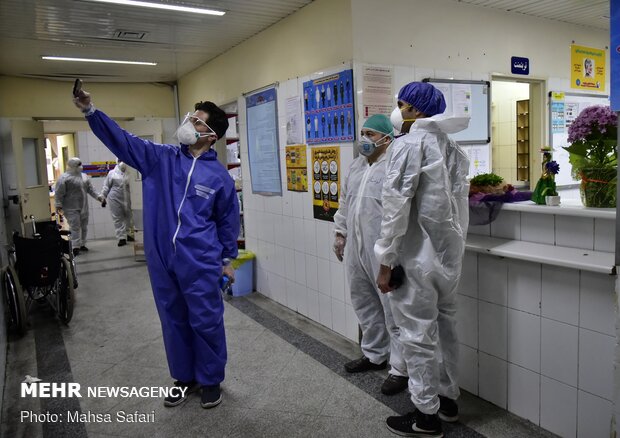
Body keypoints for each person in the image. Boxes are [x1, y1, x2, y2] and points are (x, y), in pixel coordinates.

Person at [73, 87, 240, 410]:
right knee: (173, 319)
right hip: (162, 259)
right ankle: (184, 377)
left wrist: (226, 259)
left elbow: (227, 223)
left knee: (205, 320)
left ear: (211, 135)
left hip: (200, 260)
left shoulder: (219, 177)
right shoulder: (160, 159)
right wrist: (90, 111)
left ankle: (210, 380)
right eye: (190, 117)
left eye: (197, 120)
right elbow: (123, 140)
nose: (188, 123)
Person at [375, 82, 470, 437]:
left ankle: (425, 416)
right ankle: (447, 401)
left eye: (400, 103)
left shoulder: (408, 145)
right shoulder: (452, 147)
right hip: (448, 259)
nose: (396, 110)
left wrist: (386, 261)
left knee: (416, 336)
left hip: (415, 258)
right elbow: (458, 209)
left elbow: (395, 208)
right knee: (446, 331)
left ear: (414, 109)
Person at [333, 115, 408, 396]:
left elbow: (397, 214)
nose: (365, 138)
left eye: (371, 134)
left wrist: (391, 255)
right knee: (363, 302)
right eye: (363, 132)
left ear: (387, 138)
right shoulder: (355, 166)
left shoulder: (394, 168)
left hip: (383, 250)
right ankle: (375, 354)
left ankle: (400, 369)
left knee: (393, 309)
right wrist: (340, 233)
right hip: (355, 247)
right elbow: (345, 202)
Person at [54, 157, 104, 256]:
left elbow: (91, 190)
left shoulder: (84, 177)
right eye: (78, 165)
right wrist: (58, 205)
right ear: (72, 166)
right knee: (75, 227)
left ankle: (82, 244)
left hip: (83, 206)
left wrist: (99, 197)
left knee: (84, 226)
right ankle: (75, 247)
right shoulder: (64, 178)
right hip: (71, 207)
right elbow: (59, 193)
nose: (81, 167)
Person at [99, 160, 135, 247]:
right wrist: (103, 197)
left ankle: (129, 234)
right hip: (115, 199)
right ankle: (121, 238)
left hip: (128, 198)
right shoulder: (112, 173)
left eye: (124, 160)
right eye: (120, 160)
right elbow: (106, 186)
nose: (123, 162)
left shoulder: (130, 172)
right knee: (118, 218)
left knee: (129, 217)